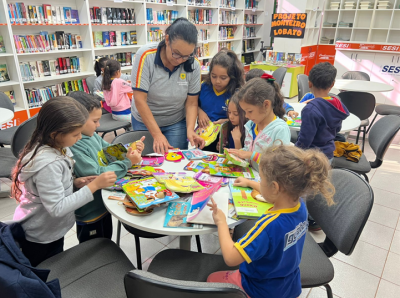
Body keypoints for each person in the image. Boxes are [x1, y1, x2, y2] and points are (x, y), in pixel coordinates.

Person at [206, 145, 335, 298]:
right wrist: (250, 183)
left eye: (261, 180)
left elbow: (230, 257)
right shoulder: (300, 206)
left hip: (258, 287)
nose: (259, 183)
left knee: (211, 279)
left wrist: (221, 222)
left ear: (274, 187)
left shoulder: (268, 226)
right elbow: (276, 193)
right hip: (287, 283)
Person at [11, 97, 117, 266]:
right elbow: (56, 208)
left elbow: (54, 186)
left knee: (53, 266)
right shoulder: (48, 164)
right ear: (55, 134)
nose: (80, 138)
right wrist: (94, 186)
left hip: (51, 230)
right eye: (76, 134)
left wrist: (75, 183)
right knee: (45, 272)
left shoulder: (58, 146)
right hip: (41, 236)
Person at [68, 91, 144, 243]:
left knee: (106, 241)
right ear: (77, 121)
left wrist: (130, 149)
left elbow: (110, 152)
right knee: (92, 250)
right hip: (90, 212)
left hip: (103, 205)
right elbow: (97, 175)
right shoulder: (74, 145)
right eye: (95, 121)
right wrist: (127, 162)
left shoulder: (92, 135)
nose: (99, 125)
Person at [130, 17, 204, 153]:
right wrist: (157, 134)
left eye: (186, 56)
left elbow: (192, 103)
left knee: (175, 161)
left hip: (175, 122)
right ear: (167, 40)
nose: (180, 60)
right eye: (176, 54)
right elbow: (140, 100)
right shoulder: (145, 56)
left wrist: (190, 130)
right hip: (144, 121)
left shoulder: (193, 64)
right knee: (146, 164)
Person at [227, 75, 291, 170]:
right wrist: (238, 154)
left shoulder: (280, 129)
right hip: (250, 175)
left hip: (267, 181)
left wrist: (252, 155)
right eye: (244, 111)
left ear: (266, 105)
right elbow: (248, 150)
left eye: (250, 111)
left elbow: (280, 164)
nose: (246, 116)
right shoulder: (251, 125)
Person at [295, 62, 349, 162]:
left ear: (309, 83)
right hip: (328, 154)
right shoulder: (337, 103)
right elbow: (337, 129)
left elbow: (305, 140)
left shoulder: (310, 109)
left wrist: (295, 153)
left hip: (312, 157)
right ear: (332, 84)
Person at [198, 49, 244, 152]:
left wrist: (227, 121)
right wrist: (199, 111)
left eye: (223, 78)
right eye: (214, 76)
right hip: (205, 135)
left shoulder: (236, 93)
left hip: (227, 137)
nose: (217, 81)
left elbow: (244, 117)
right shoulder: (204, 87)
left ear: (232, 78)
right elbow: (192, 104)